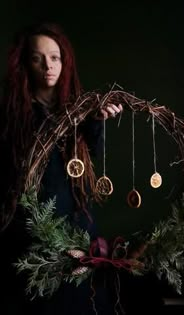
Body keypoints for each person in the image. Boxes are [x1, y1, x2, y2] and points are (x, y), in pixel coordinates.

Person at [0, 22, 123, 315]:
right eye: (37, 58)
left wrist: (97, 120)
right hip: (32, 234)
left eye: (54, 57)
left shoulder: (77, 110)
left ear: (64, 61)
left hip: (77, 228)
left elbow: (89, 159)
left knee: (84, 303)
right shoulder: (14, 117)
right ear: (24, 64)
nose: (47, 66)